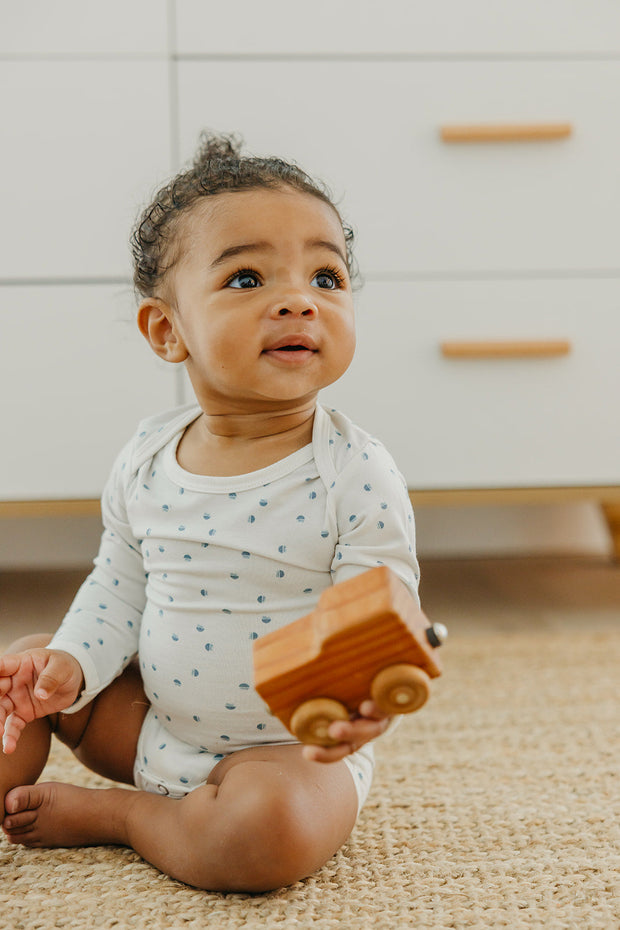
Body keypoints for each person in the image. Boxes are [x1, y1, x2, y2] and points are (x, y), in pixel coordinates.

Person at [0, 133, 420, 892]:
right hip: (150, 733)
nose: (299, 298)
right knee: (19, 672)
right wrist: (71, 666)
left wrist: (367, 687)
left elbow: (378, 609)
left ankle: (121, 818)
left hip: (288, 758)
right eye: (248, 277)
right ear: (167, 330)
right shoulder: (147, 457)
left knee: (267, 834)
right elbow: (118, 586)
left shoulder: (354, 472)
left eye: (326, 275)